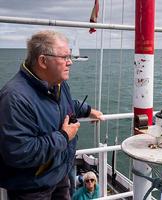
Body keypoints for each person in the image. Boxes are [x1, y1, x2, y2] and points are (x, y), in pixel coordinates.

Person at [0, 30, 104, 200]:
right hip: (32, 187)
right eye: (64, 57)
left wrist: (89, 110)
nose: (70, 62)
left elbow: (67, 105)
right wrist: (64, 136)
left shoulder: (57, 84)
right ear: (43, 61)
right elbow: (19, 152)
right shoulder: (14, 98)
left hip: (59, 174)